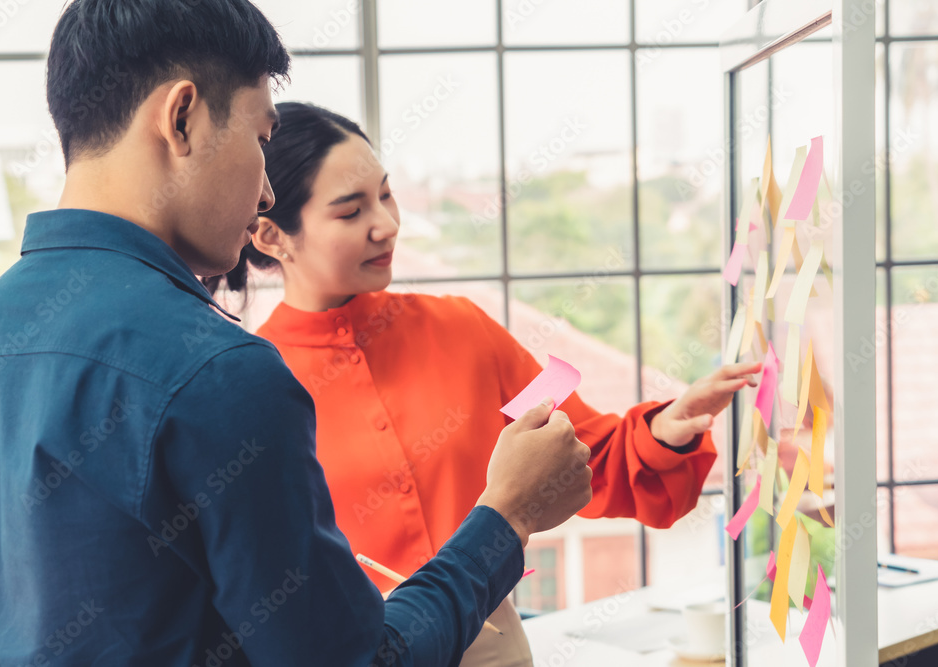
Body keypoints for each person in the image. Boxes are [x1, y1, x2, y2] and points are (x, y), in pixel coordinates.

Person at [0, 2, 595, 665]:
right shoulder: (220, 371)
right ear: (182, 118)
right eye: (262, 140)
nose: (266, 191)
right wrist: (507, 516)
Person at [205, 102, 762, 666]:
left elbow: (587, 457)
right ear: (272, 236)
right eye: (351, 212)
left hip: (490, 646)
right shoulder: (256, 380)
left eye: (386, 194)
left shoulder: (460, 328)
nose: (387, 224)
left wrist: (667, 430)